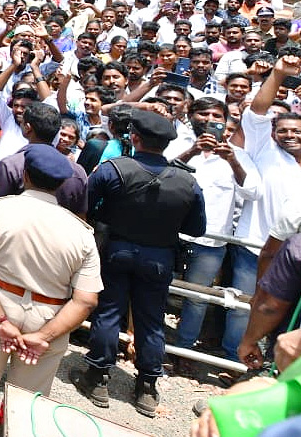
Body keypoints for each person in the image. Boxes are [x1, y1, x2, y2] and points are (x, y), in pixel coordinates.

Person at [0, 144, 102, 437]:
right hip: (52, 314)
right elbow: (86, 300)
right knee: (28, 402)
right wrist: (43, 336)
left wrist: (1, 320)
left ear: (25, 175)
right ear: (61, 184)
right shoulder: (82, 234)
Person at [75, 108, 207, 417]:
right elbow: (196, 228)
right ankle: (147, 387)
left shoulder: (113, 169)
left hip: (116, 249)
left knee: (107, 312)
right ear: (167, 144)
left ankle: (98, 378)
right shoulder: (187, 182)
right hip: (159, 258)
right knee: (151, 321)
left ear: (134, 138)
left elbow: (86, 204)